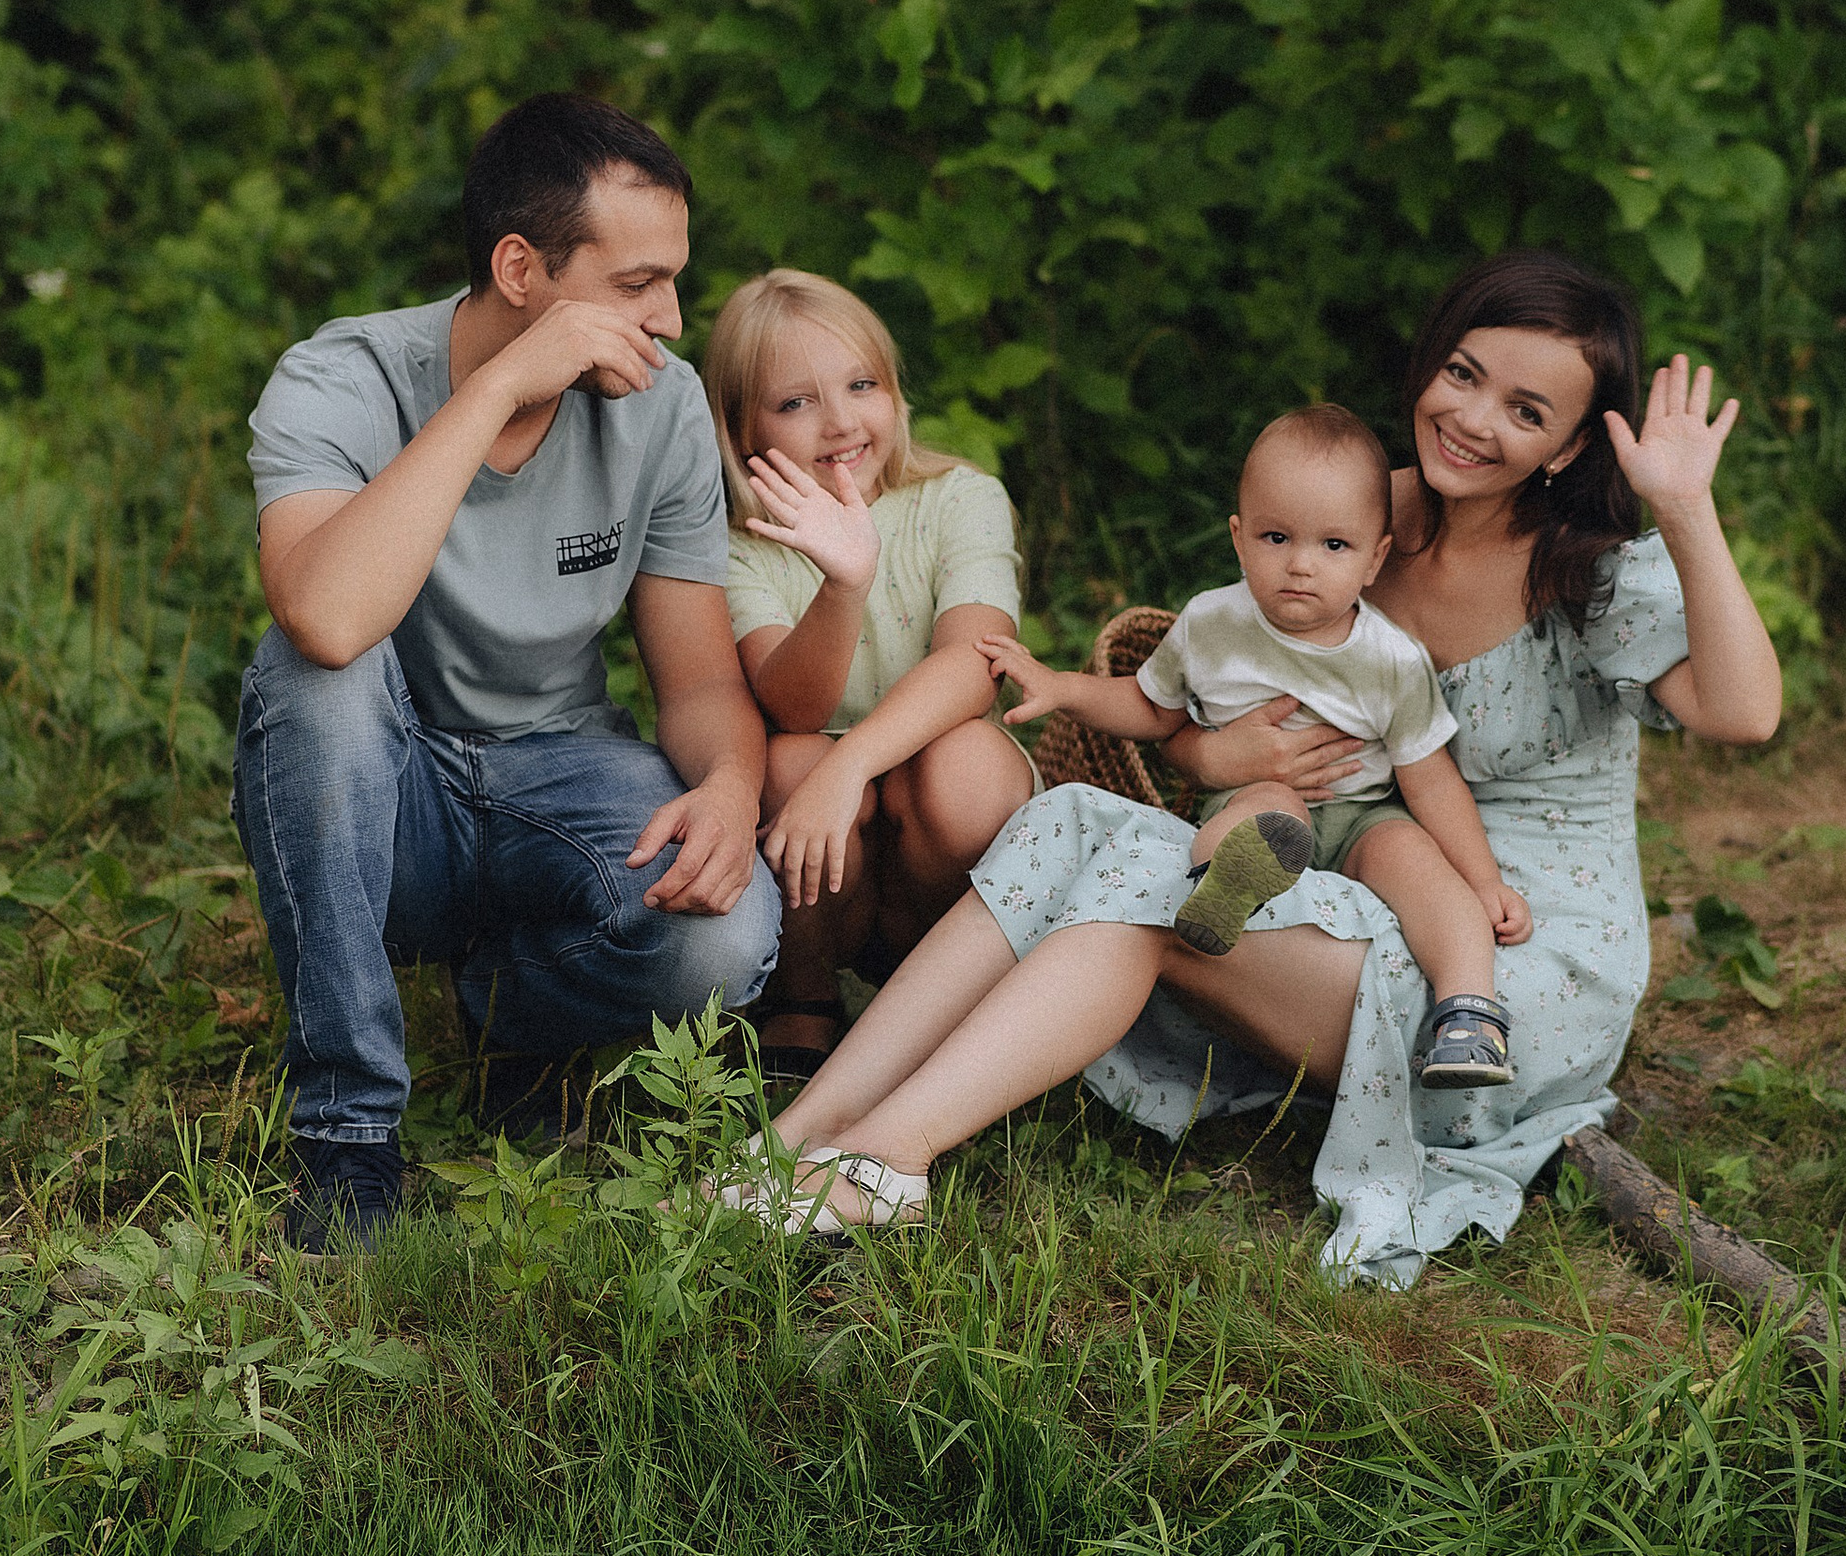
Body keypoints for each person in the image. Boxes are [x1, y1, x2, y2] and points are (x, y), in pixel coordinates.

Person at [737, 251, 1782, 1278]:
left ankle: (888, 1160)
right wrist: (1215, 751)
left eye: (1525, 409)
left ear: (1563, 447)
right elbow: (1212, 700)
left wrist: (1685, 510)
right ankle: (802, 1134)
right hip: (1329, 873)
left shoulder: (1585, 569)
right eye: (1462, 373)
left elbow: (1744, 714)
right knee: (1057, 824)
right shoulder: (1351, 516)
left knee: (1160, 895)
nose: (1472, 417)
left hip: (1508, 957)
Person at [233, 92, 778, 1242]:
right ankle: (348, 1138)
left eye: (673, 279)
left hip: (561, 772)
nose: (673, 318)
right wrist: (492, 392)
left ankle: (503, 1014)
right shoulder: (343, 379)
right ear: (521, 268)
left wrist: (731, 787)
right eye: (636, 286)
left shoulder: (663, 410)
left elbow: (698, 687)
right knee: (311, 679)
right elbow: (327, 619)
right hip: (391, 790)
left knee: (725, 939)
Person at [976, 403, 1527, 1087]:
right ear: (1238, 540)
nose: (1300, 565)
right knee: (1263, 812)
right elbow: (1149, 705)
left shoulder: (1389, 659)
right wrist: (1062, 686)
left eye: (1333, 546)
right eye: (1276, 537)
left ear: (1374, 557)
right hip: (1255, 795)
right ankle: (1220, 892)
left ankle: (1468, 1012)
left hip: (1363, 814)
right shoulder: (1213, 623)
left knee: (1422, 869)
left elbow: (1431, 779)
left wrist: (1482, 879)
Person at [706, 269, 1034, 1074]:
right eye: (796, 403)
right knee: (786, 762)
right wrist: (843, 581)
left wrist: (854, 764)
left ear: (894, 389)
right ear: (743, 431)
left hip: (933, 794)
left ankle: (933, 977)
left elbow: (977, 663)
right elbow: (793, 703)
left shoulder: (958, 497)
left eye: (861, 385)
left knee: (969, 768)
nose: (842, 421)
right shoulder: (738, 546)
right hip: (820, 821)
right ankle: (804, 990)